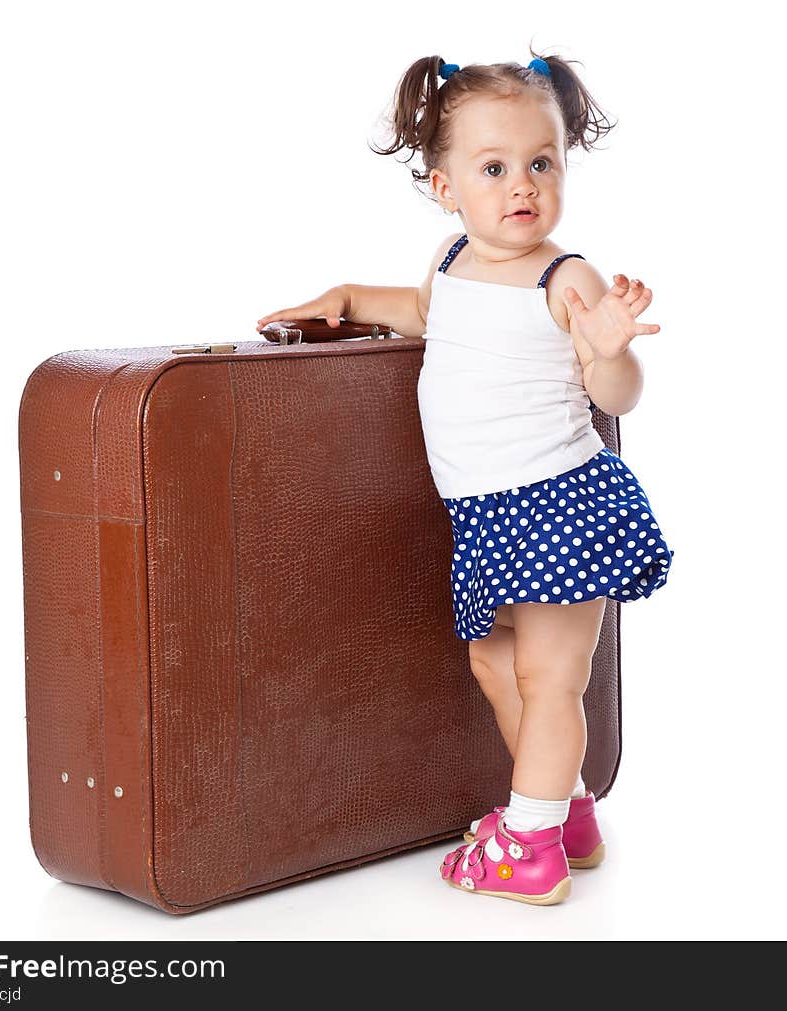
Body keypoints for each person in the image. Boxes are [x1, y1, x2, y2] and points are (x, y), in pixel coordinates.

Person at [255, 51, 675, 906]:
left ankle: (529, 847)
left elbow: (616, 397)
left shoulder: (569, 279)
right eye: (494, 169)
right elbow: (422, 312)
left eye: (542, 163)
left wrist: (610, 349)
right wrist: (343, 294)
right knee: (494, 663)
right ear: (445, 186)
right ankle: (567, 812)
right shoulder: (451, 261)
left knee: (550, 677)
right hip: (484, 514)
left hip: (561, 502)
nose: (523, 185)